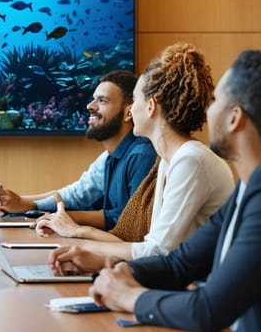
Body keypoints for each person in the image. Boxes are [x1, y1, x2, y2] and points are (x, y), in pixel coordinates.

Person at [86, 50, 261, 332]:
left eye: (216, 101)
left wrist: (128, 296)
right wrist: (127, 272)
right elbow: (180, 263)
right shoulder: (256, 180)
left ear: (234, 118)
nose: (207, 111)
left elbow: (208, 310)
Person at [40, 43, 234, 266]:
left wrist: (79, 236)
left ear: (151, 106)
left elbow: (156, 251)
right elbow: (148, 245)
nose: (131, 110)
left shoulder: (190, 161)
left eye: (135, 99)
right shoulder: (167, 160)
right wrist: (78, 237)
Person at [0, 70, 157, 230]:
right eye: (94, 99)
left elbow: (128, 223)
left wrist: (51, 216)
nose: (90, 106)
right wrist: (20, 203)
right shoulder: (110, 157)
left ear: (129, 112)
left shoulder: (141, 156)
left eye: (102, 101)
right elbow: (75, 195)